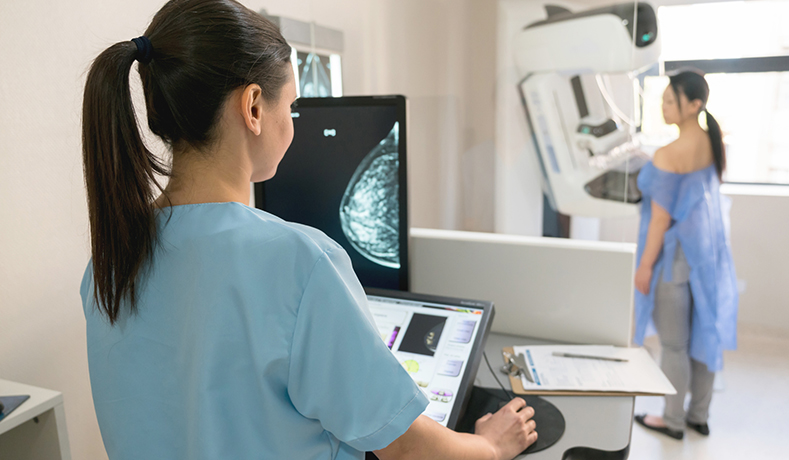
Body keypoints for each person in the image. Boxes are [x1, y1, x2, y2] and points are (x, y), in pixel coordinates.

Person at [79, 1, 537, 459]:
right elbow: (405, 448)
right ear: (254, 107)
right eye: (292, 106)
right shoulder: (299, 262)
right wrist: (491, 446)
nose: (293, 122)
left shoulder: (108, 264)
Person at [631, 70, 739, 440]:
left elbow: (660, 219)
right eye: (662, 99)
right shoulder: (713, 141)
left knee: (674, 344)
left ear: (694, 105)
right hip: (706, 254)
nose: (663, 106)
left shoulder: (668, 153)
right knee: (703, 333)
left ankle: (672, 420)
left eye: (670, 100)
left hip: (673, 259)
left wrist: (645, 266)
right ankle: (698, 415)